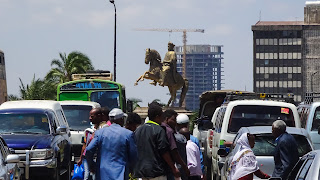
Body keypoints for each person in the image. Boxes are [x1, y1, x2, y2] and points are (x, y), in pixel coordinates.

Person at [85, 108, 138, 180]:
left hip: (102, 173)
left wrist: (91, 165)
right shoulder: (128, 134)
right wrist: (131, 169)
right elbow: (133, 155)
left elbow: (89, 150)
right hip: (120, 174)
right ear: (121, 119)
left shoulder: (100, 133)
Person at [133, 103, 180, 180]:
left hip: (142, 172)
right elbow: (164, 151)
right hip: (157, 172)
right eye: (162, 115)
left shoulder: (138, 130)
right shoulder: (159, 130)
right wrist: (173, 168)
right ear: (157, 116)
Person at [162, 110, 190, 180]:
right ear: (167, 119)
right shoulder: (169, 131)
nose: (175, 123)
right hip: (170, 168)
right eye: (173, 120)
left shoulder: (159, 129)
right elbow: (175, 152)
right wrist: (184, 167)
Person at [78, 108, 103, 180]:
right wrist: (81, 158)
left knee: (96, 176)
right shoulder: (88, 131)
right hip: (87, 157)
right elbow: (84, 145)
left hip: (98, 157)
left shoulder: (103, 130)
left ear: (98, 116)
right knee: (86, 176)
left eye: (92, 116)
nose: (90, 118)